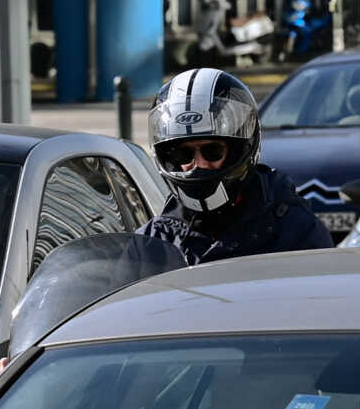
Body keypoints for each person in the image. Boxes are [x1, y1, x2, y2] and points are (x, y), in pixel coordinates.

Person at [139, 68, 333, 263]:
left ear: (238, 151)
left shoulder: (295, 230)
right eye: (182, 154)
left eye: (212, 151)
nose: (199, 164)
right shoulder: (151, 242)